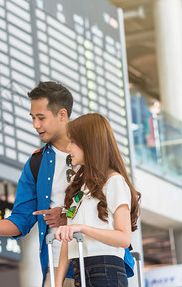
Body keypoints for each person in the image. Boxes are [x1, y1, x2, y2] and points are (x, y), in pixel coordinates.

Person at [0, 81, 74, 286]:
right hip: (57, 267)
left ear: (62, 115)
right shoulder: (36, 164)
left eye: (41, 118)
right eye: (33, 118)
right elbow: (21, 219)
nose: (35, 125)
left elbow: (116, 202)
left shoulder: (95, 151)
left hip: (99, 260)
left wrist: (68, 215)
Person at [54, 113, 141, 287]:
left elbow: (124, 238)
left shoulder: (114, 181)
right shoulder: (80, 188)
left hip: (106, 272)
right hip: (80, 270)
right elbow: (68, 237)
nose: (67, 148)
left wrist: (83, 228)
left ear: (89, 143)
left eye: (72, 141)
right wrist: (57, 284)